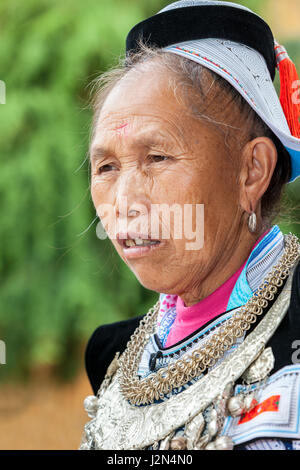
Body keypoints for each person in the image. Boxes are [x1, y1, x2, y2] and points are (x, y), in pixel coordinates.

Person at [80, 1, 300, 450]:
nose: (123, 202)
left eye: (157, 158)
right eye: (105, 167)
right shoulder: (112, 357)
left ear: (251, 171)